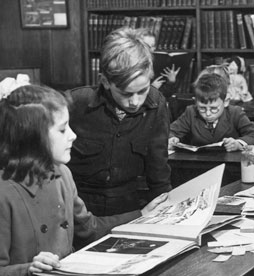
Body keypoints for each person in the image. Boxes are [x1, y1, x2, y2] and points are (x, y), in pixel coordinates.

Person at [0, 84, 167, 276]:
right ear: (32, 138)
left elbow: (89, 229)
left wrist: (142, 214)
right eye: (63, 130)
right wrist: (27, 269)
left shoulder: (62, 174)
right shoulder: (4, 194)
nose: (73, 136)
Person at [66, 27, 171, 216]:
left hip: (130, 206)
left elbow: (158, 168)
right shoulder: (75, 103)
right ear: (105, 81)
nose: (135, 102)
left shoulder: (156, 103)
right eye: (125, 93)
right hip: (78, 207)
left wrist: (166, 211)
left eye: (143, 90)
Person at [168, 73, 254, 152]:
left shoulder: (235, 113)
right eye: (202, 108)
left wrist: (239, 143)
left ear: (226, 101)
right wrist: (172, 139)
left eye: (214, 108)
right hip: (198, 165)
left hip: (230, 167)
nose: (208, 113)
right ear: (196, 102)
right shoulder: (191, 112)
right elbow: (170, 132)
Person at [138, 28, 180, 100]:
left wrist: (171, 82)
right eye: (148, 46)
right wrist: (151, 89)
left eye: (153, 46)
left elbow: (164, 96)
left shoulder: (154, 63)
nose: (152, 49)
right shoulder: (132, 65)